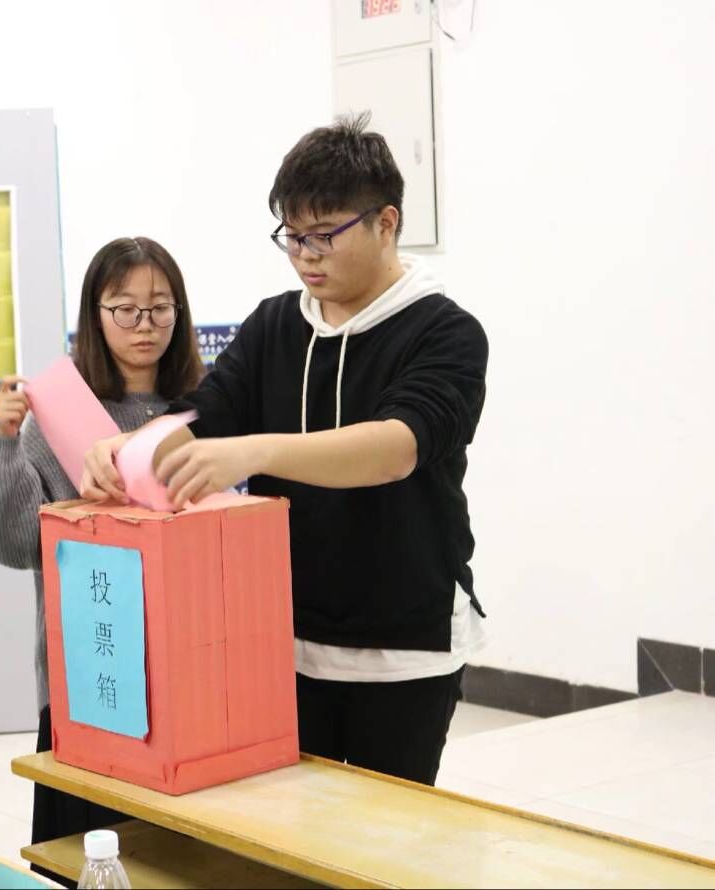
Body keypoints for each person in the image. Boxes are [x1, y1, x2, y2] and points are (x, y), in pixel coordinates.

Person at [82, 114, 490, 786]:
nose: (306, 256)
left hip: (403, 645)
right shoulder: (276, 322)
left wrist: (254, 453)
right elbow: (205, 415)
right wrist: (127, 447)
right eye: (292, 236)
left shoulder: (444, 332)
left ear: (386, 223)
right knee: (287, 827)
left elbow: (396, 447)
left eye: (324, 235)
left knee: (380, 832)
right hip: (283, 637)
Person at [0, 237, 205, 869]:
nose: (145, 324)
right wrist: (6, 442)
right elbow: (11, 544)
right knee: (88, 856)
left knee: (181, 864)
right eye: (125, 308)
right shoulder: (60, 414)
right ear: (94, 314)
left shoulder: (208, 410)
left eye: (161, 308)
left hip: (192, 672)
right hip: (93, 674)